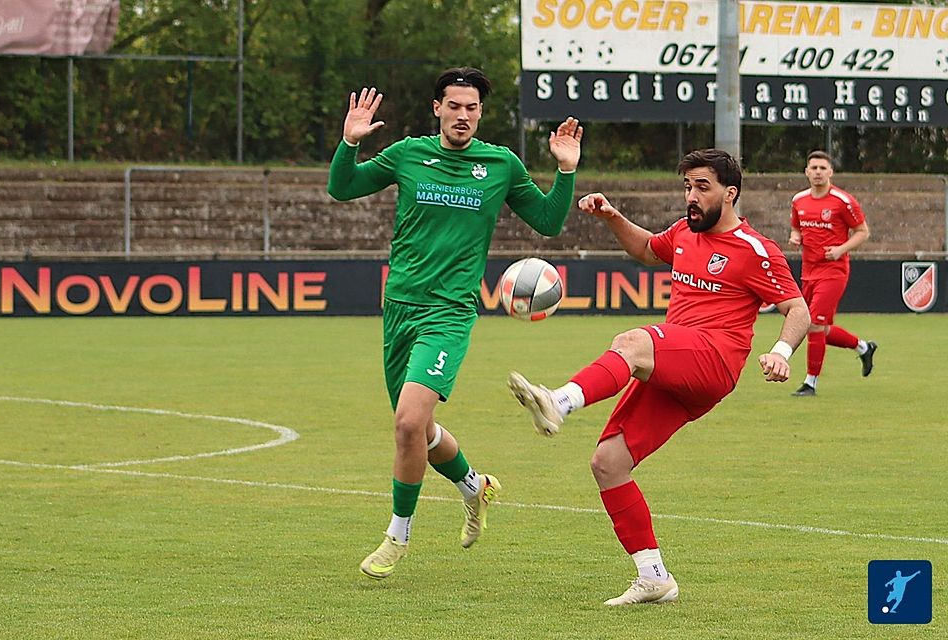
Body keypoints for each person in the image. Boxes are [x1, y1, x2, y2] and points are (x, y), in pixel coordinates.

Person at [507, 149, 810, 605]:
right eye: (687, 186)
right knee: (608, 463)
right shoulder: (685, 232)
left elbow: (797, 308)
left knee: (632, 342)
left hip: (714, 361)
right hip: (675, 366)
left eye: (702, 187)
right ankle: (654, 577)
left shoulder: (755, 250)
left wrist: (782, 351)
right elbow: (648, 249)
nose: (691, 196)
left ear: (730, 194)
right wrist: (612, 216)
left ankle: (560, 401)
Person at [327, 67, 583, 579]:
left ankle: (397, 536)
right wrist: (348, 143)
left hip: (449, 313)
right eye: (454, 106)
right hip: (398, 307)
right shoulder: (406, 155)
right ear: (437, 108)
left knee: (405, 423)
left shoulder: (500, 165)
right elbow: (343, 187)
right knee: (416, 431)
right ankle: (475, 487)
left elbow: (550, 223)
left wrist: (567, 171)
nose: (463, 115)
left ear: (480, 114)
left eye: (472, 108)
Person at [789, 150, 877, 397]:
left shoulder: (842, 201)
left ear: (830, 172)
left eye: (822, 168)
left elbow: (862, 231)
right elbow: (796, 227)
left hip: (833, 271)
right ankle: (863, 347)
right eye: (813, 168)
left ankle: (810, 383)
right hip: (809, 271)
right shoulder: (799, 200)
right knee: (819, 328)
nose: (817, 172)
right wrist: (796, 237)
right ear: (806, 172)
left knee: (815, 324)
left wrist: (840, 250)